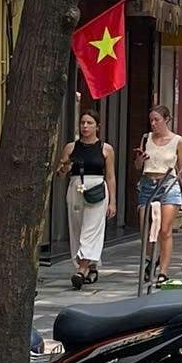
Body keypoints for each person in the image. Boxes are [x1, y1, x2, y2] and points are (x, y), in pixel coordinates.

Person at [56, 112, 116, 289]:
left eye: (89, 123)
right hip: (76, 188)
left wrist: (113, 202)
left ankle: (81, 270)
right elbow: (60, 174)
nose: (85, 126)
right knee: (77, 228)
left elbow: (110, 176)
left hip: (97, 189)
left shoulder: (106, 149)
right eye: (82, 122)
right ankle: (91, 267)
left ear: (97, 126)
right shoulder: (71, 147)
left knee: (91, 230)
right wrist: (65, 166)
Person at [136, 104, 182, 285]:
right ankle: (150, 260)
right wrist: (139, 160)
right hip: (148, 183)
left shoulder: (177, 141)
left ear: (166, 120)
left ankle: (163, 271)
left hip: (168, 184)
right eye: (151, 120)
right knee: (145, 229)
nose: (153, 124)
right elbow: (138, 166)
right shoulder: (146, 138)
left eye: (157, 120)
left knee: (165, 230)